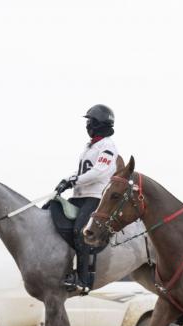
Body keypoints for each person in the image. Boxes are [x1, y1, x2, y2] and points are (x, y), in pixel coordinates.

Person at [54, 104, 118, 293]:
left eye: (90, 121)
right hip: (80, 196)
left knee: (79, 231)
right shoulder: (89, 146)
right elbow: (83, 170)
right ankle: (64, 270)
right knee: (55, 217)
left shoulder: (108, 147)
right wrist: (67, 179)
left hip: (96, 197)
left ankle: (83, 280)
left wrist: (74, 181)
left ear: (98, 124)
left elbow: (98, 172)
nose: (87, 125)